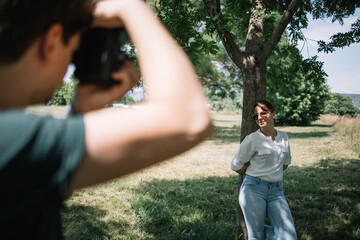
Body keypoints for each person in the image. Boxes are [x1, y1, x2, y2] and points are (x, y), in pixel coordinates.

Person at [0, 0, 213, 238]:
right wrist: (134, 9)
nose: (71, 63)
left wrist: (81, 111)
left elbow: (36, 183)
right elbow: (189, 119)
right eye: (73, 47)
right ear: (51, 42)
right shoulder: (9, 138)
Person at [231, 100, 297, 240]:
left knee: (289, 237)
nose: (259, 117)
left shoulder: (284, 137)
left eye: (263, 113)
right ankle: (255, 229)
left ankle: (256, 227)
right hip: (253, 189)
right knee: (257, 236)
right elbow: (236, 165)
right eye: (256, 116)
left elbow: (285, 164)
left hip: (276, 191)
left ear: (273, 114)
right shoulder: (252, 139)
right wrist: (254, 172)